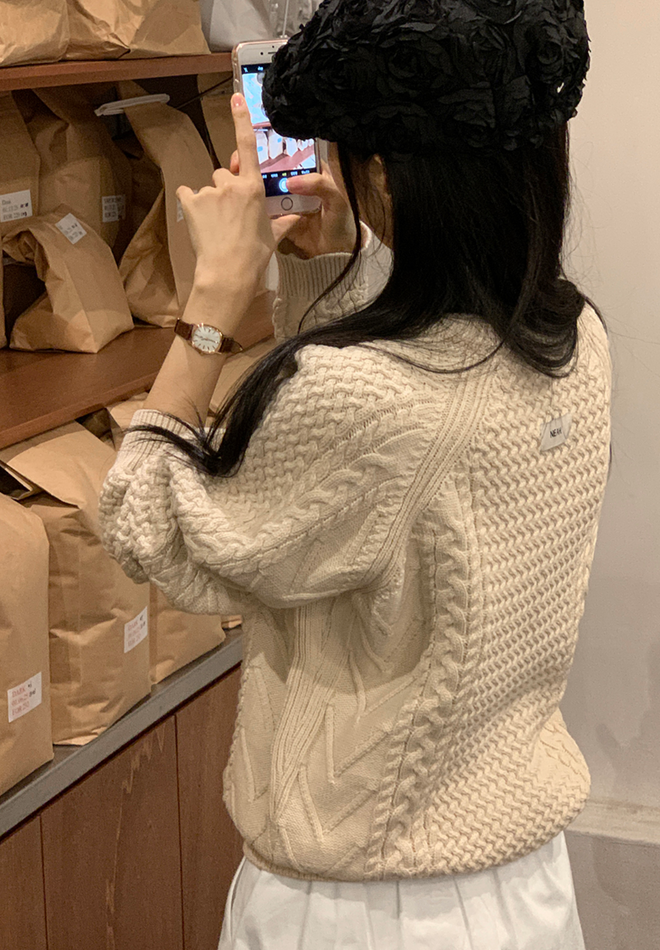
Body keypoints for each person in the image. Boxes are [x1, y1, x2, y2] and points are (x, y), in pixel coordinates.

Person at [99, 0, 611, 947]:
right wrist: (322, 262)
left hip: (364, 906)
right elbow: (359, 490)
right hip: (522, 883)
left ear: (383, 173)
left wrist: (212, 300)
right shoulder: (573, 339)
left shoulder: (366, 400)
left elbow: (145, 518)